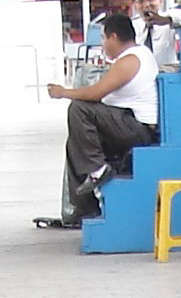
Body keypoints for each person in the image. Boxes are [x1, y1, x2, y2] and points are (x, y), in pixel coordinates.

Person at [48, 13, 159, 223]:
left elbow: (95, 93)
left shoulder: (131, 59)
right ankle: (83, 211)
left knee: (79, 109)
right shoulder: (137, 55)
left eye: (103, 38)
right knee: (76, 145)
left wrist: (63, 92)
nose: (103, 44)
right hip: (125, 123)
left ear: (114, 37)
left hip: (136, 127)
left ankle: (98, 169)